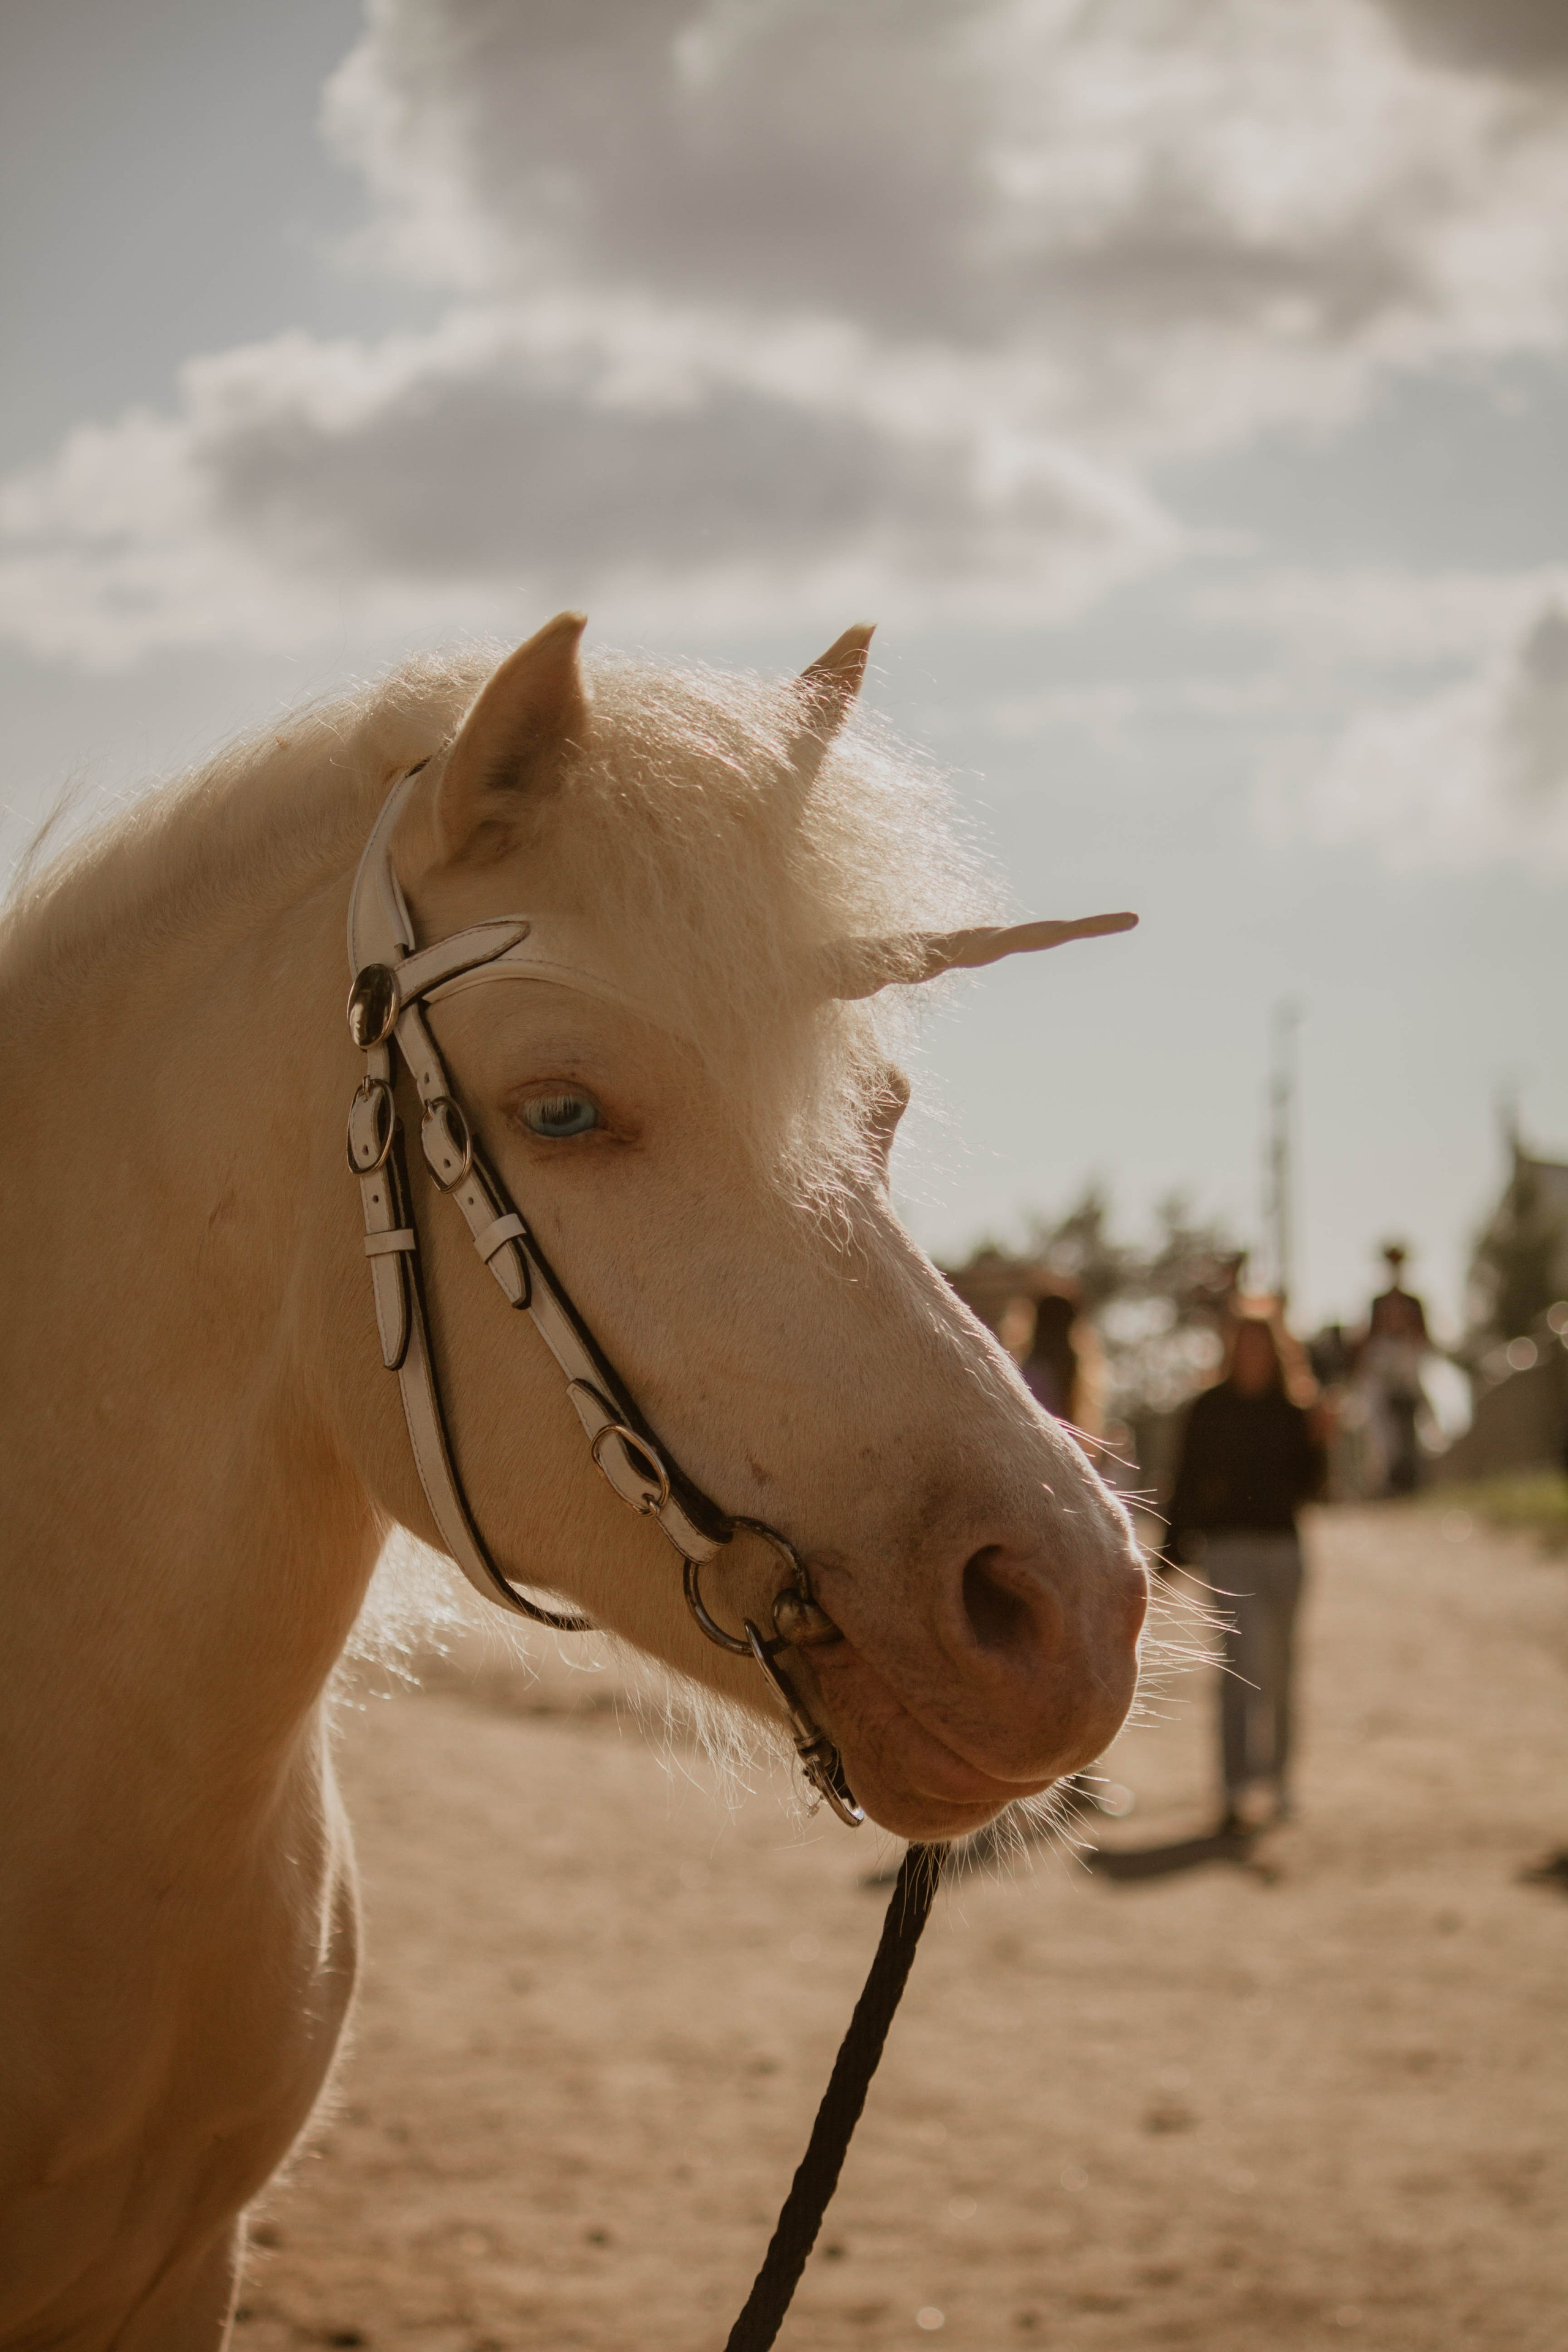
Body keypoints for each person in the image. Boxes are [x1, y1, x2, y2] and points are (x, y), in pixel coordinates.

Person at [1165, 1303, 1325, 1834]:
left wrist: (1324, 1441)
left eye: (1261, 1344)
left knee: (1281, 1670)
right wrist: (1170, 1554)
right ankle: (1235, 1789)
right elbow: (1184, 1483)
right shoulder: (1208, 1410)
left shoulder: (1294, 1410)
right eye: (1243, 1344)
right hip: (1229, 1551)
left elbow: (1314, 1490)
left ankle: (1279, 1782)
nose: (1251, 1354)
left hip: (1284, 1550)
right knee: (1240, 1668)